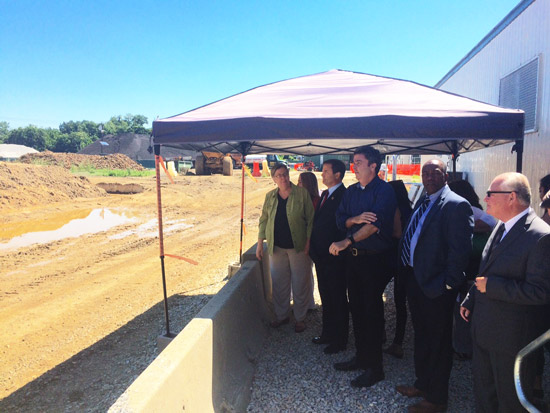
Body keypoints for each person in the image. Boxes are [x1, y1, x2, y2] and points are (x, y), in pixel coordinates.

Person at [460, 172, 550, 413]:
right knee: (485, 396)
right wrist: (472, 297)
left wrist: (492, 287)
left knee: (510, 402)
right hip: (485, 332)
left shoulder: (541, 236)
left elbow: (541, 292)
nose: (485, 198)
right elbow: (487, 269)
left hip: (511, 340)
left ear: (511, 197)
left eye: (491, 194)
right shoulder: (501, 224)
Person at [396, 159, 474, 413]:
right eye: (425, 172)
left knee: (439, 344)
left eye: (435, 172)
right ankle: (423, 384)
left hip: (437, 288)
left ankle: (437, 399)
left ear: (446, 175)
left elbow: (460, 253)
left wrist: (448, 286)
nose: (429, 177)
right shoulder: (425, 200)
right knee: (422, 337)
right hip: (415, 281)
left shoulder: (456, 205)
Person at [329, 146, 397, 389]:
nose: (354, 167)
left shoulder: (385, 191)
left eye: (358, 162)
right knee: (356, 308)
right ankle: (361, 357)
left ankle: (375, 368)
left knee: (372, 312)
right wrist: (355, 219)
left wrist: (348, 238)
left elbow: (375, 225)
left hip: (374, 260)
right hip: (354, 260)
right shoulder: (352, 192)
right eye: (353, 162)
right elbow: (341, 219)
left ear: (373, 166)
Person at [256, 163, 315, 333]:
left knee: (300, 282)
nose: (282, 178)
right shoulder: (270, 196)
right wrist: (260, 243)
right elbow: (264, 220)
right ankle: (282, 316)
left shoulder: (302, 194)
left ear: (289, 175)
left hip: (298, 247)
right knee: (279, 283)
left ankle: (300, 318)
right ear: (274, 179)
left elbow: (310, 220)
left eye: (284, 174)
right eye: (278, 175)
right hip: (276, 247)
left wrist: (308, 242)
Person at [448, 180, 496, 360]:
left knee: (462, 309)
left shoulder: (467, 210)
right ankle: (471, 346)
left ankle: (463, 347)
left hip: (469, 266)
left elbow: (490, 223)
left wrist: (465, 227)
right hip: (478, 266)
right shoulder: (476, 209)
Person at [309, 159, 349, 354]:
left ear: (337, 175)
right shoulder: (326, 194)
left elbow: (342, 228)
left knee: (338, 298)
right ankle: (327, 333)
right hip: (321, 257)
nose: (322, 174)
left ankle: (340, 339)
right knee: (326, 296)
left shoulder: (345, 195)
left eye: (326, 171)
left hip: (335, 258)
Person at [383, 180, 413, 359]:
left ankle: (383, 334)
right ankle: (398, 341)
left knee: (376, 292)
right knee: (401, 301)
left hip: (391, 256)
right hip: (405, 258)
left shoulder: (394, 208)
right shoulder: (410, 208)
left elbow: (396, 233)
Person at [298, 171, 321, 311]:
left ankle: (308, 303)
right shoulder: (297, 198)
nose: (298, 184)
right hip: (300, 241)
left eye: (301, 182)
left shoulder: (316, 201)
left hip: (311, 242)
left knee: (305, 273)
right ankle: (307, 303)